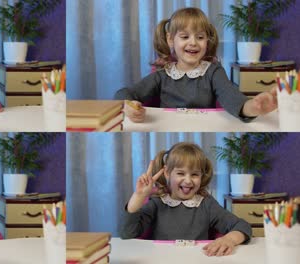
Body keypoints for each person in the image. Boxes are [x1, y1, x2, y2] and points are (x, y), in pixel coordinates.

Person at [114, 7, 277, 123]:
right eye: (185, 37)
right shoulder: (162, 75)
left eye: (200, 37)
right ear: (171, 40)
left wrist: (253, 107)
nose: (193, 43)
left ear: (207, 41)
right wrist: (129, 106)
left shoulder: (214, 72)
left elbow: (230, 96)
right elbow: (124, 93)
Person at [120, 142, 252, 257]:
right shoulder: (157, 202)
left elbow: (243, 226)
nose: (188, 180)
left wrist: (229, 239)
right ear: (167, 173)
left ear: (201, 175)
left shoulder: (206, 203)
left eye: (194, 174)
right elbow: (128, 233)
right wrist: (138, 196)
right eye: (180, 173)